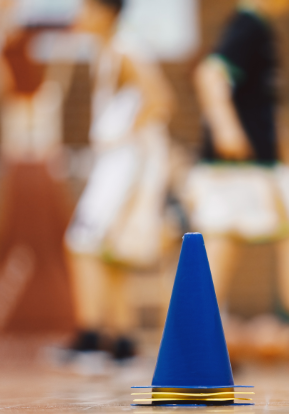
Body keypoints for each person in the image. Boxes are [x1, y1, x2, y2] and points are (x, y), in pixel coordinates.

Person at [190, 0, 289, 357]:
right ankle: (199, 332)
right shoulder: (246, 26)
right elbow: (209, 74)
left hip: (263, 166)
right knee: (222, 241)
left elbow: (276, 111)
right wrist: (225, 126)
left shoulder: (263, 31)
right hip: (236, 166)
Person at [65, 0, 174, 360]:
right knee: (108, 251)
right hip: (116, 163)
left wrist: (123, 137)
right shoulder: (109, 51)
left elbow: (161, 100)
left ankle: (91, 334)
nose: (78, 16)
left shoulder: (127, 49)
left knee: (80, 240)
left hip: (124, 165)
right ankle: (122, 338)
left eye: (85, 8)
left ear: (104, 11)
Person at [0, 12, 77, 335]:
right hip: (22, 177)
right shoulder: (11, 93)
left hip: (41, 176)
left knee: (52, 242)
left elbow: (61, 70)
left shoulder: (47, 93)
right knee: (15, 240)